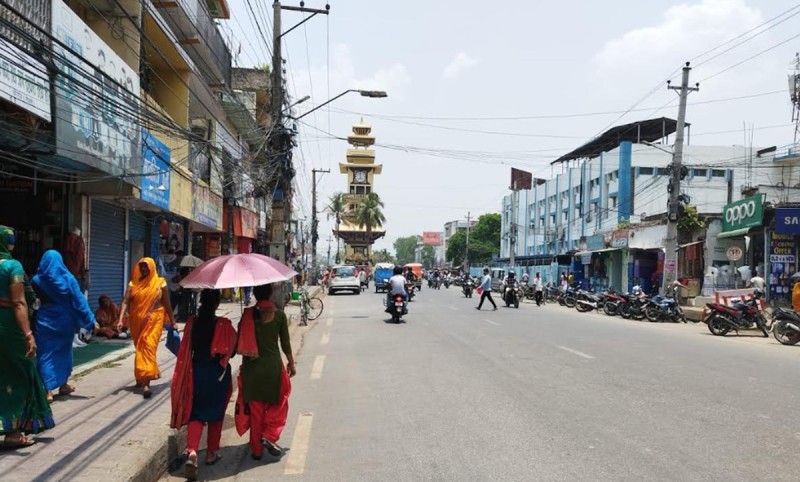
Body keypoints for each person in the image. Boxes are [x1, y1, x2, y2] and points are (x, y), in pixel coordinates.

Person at [171, 289, 237, 479]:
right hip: (217, 374)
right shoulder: (223, 324)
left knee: (196, 413)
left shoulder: (192, 323)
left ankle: (192, 452)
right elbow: (231, 352)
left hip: (196, 372)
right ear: (216, 304)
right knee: (216, 413)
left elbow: (187, 348)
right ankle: (211, 453)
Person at [0, 226, 54, 447]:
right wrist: (28, 334)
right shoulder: (13, 267)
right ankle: (13, 432)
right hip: (9, 327)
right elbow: (19, 302)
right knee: (19, 373)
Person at [237, 284, 295, 460]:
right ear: (270, 293)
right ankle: (269, 435)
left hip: (251, 368)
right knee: (280, 401)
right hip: (272, 367)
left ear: (254, 293)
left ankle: (256, 451)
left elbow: (240, 341)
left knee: (256, 411)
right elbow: (285, 343)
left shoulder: (247, 315)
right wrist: (291, 364)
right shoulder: (279, 316)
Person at [32, 250, 99, 403]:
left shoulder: (37, 280)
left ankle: (47, 391)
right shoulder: (68, 279)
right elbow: (80, 302)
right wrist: (91, 321)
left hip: (45, 321)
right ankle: (63, 385)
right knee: (64, 352)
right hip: (65, 321)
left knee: (45, 354)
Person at [117, 257, 177, 398]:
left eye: (146, 267)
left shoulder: (160, 283)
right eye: (141, 266)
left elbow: (167, 304)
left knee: (148, 346)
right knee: (140, 348)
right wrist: (120, 320)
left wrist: (173, 321)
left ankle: (146, 384)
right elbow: (126, 301)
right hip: (137, 321)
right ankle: (141, 376)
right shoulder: (133, 283)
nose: (144, 269)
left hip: (155, 319)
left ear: (152, 268)